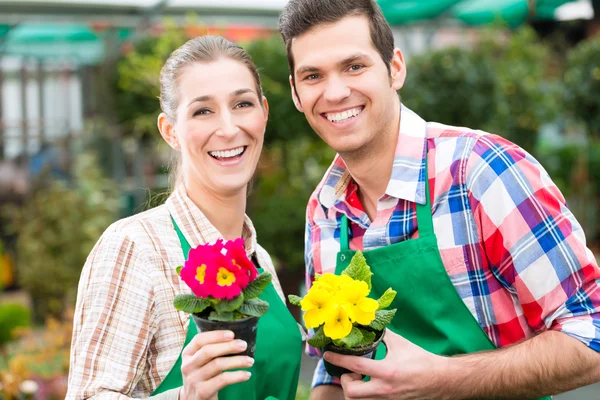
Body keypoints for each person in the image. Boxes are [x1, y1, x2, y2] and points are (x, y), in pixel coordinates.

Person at [278, 1, 600, 399]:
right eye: (313, 75)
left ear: (395, 68)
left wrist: (443, 379)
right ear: (295, 92)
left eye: (354, 66)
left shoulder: (481, 172)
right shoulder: (324, 210)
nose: (336, 91)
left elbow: (591, 334)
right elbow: (331, 372)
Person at [67, 36, 303, 400]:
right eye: (202, 111)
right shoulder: (135, 249)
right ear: (170, 131)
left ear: (264, 113)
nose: (227, 128)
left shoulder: (260, 261)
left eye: (242, 104)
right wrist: (185, 396)